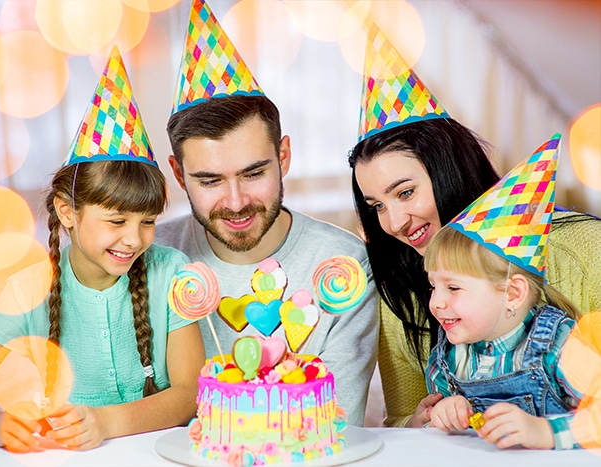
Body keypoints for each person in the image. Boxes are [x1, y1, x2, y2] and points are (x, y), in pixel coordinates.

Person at [0, 47, 205, 452]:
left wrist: (107, 422)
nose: (134, 239)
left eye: (147, 222)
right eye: (116, 220)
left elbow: (190, 395)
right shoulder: (29, 291)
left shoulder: (171, 274)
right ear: (67, 212)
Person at [348, 23, 601, 428]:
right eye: (376, 205)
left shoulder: (584, 249)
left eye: (406, 193)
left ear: (449, 170)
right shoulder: (399, 285)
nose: (393, 223)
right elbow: (401, 417)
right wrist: (421, 421)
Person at [156, 0, 379, 426]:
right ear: (179, 176)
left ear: (284, 156)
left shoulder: (344, 266)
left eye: (254, 172)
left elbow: (334, 424)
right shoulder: (150, 258)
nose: (236, 201)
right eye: (209, 180)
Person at [423, 135, 582, 450]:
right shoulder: (449, 356)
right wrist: (442, 413)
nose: (436, 303)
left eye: (453, 287)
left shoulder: (562, 345)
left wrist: (544, 432)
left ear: (513, 293)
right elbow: (429, 428)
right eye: (433, 286)